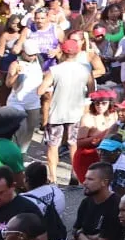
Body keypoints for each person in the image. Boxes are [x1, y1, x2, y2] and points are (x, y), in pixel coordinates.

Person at [39, 39, 93, 187]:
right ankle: (74, 175)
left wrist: (50, 88)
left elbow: (41, 90)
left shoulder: (55, 70)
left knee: (53, 145)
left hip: (57, 113)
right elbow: (91, 90)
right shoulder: (85, 70)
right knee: (73, 144)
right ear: (77, 53)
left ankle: (53, 178)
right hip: (76, 112)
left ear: (62, 52)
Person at [73, 92, 120, 184]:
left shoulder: (114, 115)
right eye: (97, 103)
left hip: (107, 157)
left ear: (110, 103)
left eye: (104, 103)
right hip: (87, 158)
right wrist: (103, 135)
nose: (100, 106)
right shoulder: (88, 118)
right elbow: (80, 143)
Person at [5, 42, 45, 150]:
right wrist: (16, 75)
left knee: (30, 128)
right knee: (20, 128)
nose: (33, 57)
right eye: (30, 55)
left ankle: (23, 153)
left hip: (33, 101)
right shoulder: (15, 64)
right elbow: (8, 83)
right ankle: (13, 152)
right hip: (16, 101)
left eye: (34, 54)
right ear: (23, 53)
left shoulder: (38, 61)